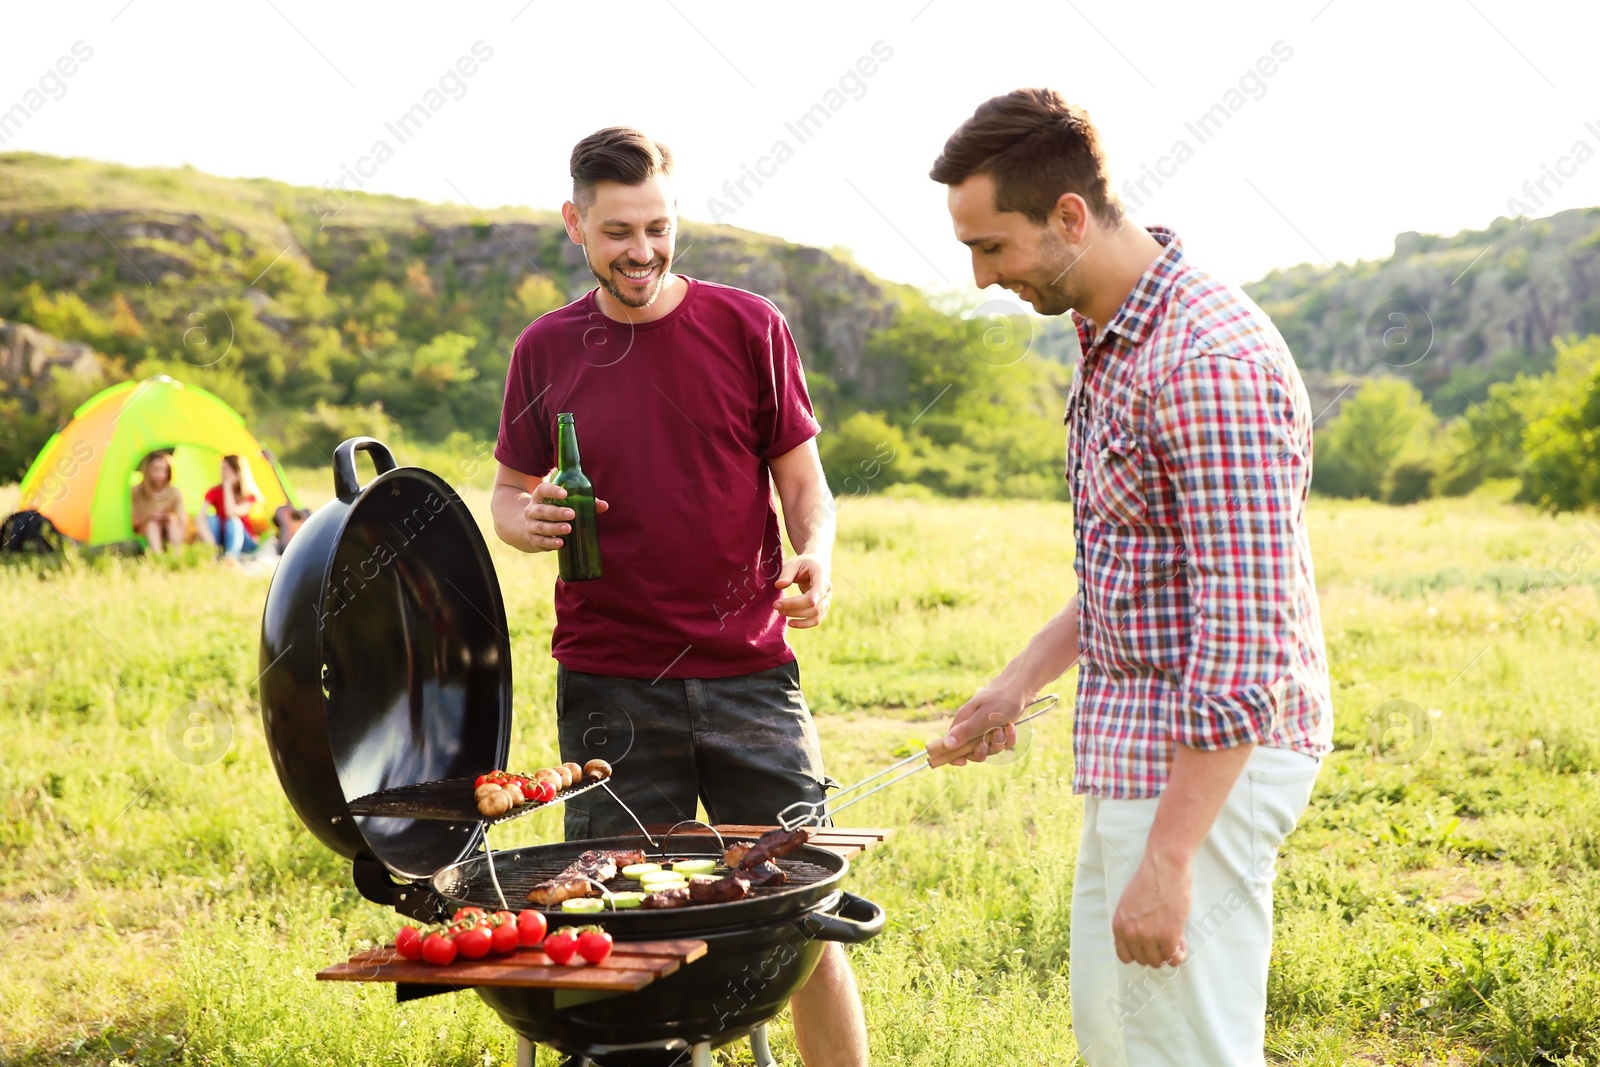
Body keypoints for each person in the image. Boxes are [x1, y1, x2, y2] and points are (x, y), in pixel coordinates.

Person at [929, 89, 1333, 1067]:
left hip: (1206, 762)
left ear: (1069, 216)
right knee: (1118, 1041)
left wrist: (1170, 856)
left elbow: (1244, 638)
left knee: (1181, 1050)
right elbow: (1139, 557)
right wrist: (1018, 680)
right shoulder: (1114, 339)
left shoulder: (1204, 361)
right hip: (1140, 746)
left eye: (992, 247)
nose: (981, 278)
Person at [491, 127, 865, 1067]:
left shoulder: (749, 325)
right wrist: (520, 521)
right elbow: (506, 490)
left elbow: (805, 485)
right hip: (611, 681)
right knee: (615, 920)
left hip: (751, 674)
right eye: (618, 230)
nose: (643, 251)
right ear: (576, 224)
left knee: (802, 911)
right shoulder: (546, 347)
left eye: (658, 226)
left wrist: (814, 551)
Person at [202, 454, 262, 560]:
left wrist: (228, 486)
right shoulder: (215, 491)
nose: (222, 473)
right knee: (212, 518)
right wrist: (208, 538)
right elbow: (200, 516)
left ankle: (231, 558)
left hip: (244, 541)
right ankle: (213, 553)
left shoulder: (249, 495)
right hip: (222, 539)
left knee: (233, 521)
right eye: (222, 468)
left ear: (237, 471)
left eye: (226, 469)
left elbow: (231, 513)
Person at [130, 451, 187, 552]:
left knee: (172, 520)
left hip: (169, 528)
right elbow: (132, 521)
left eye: (164, 470)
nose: (160, 475)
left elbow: (182, 518)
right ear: (147, 470)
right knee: (153, 523)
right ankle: (157, 555)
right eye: (156, 470)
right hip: (145, 529)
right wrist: (150, 516)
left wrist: (168, 517)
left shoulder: (175, 492)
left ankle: (177, 554)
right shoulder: (136, 491)